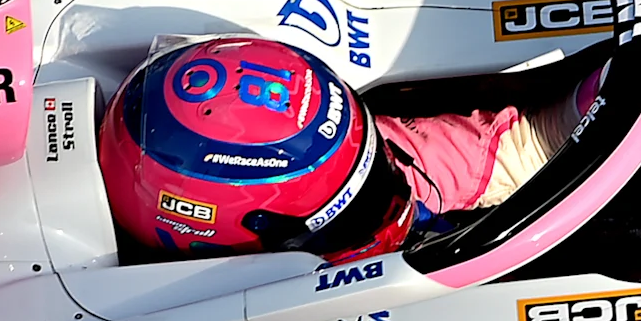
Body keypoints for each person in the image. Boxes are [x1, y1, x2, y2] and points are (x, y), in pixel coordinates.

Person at [98, 36, 604, 260]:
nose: (393, 198)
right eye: (344, 211)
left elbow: (520, 147)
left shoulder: (368, 155)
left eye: (372, 163)